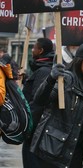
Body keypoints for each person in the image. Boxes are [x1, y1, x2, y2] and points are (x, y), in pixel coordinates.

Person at [30, 42, 83, 168]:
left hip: (75, 153)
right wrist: (50, 79)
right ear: (79, 61)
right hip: (51, 152)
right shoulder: (66, 80)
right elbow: (40, 100)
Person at [22, 38, 55, 168]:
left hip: (35, 132)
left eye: (34, 47)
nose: (32, 50)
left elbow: (38, 102)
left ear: (40, 51)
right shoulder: (42, 68)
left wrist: (28, 128)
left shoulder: (44, 70)